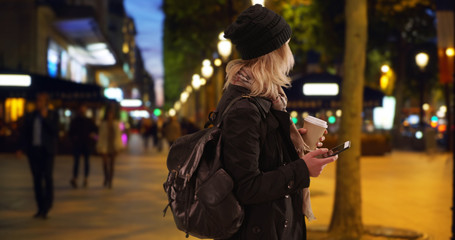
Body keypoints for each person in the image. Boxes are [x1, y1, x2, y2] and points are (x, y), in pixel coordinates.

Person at [217, 5, 338, 239]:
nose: (289, 51)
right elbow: (246, 186)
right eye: (286, 44)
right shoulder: (245, 108)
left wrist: (294, 143)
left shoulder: (267, 99)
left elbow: (264, 158)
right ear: (273, 51)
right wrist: (302, 169)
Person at [17, 92, 59, 219]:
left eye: (41, 101)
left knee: (47, 176)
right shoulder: (31, 116)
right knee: (36, 179)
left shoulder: (52, 114)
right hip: (34, 151)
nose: (38, 103)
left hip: (47, 151)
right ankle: (40, 207)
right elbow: (25, 133)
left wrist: (45, 118)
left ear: (46, 103)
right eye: (37, 100)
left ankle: (47, 205)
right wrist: (21, 148)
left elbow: (55, 131)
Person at [68, 104, 97, 188]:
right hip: (78, 144)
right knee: (76, 162)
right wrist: (74, 139)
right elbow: (71, 132)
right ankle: (75, 177)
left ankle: (85, 178)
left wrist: (92, 136)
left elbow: (95, 130)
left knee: (86, 161)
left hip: (86, 144)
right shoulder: (75, 121)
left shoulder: (88, 121)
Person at [96, 107, 123, 189]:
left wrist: (119, 146)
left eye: (111, 114)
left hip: (113, 146)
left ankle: (110, 180)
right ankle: (106, 177)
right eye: (109, 114)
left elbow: (118, 136)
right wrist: (99, 146)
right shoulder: (103, 124)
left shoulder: (116, 124)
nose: (110, 115)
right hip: (105, 145)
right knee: (104, 163)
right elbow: (101, 136)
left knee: (111, 164)